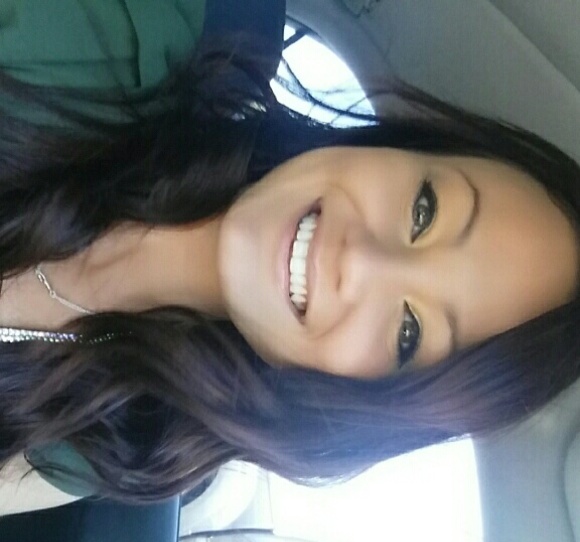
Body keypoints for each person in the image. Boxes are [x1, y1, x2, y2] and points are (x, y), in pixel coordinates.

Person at [0, 1, 578, 514]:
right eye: (424, 210)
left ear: (369, 399)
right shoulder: (125, 40)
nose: (360, 263)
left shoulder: (123, 444)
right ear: (400, 148)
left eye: (409, 334)